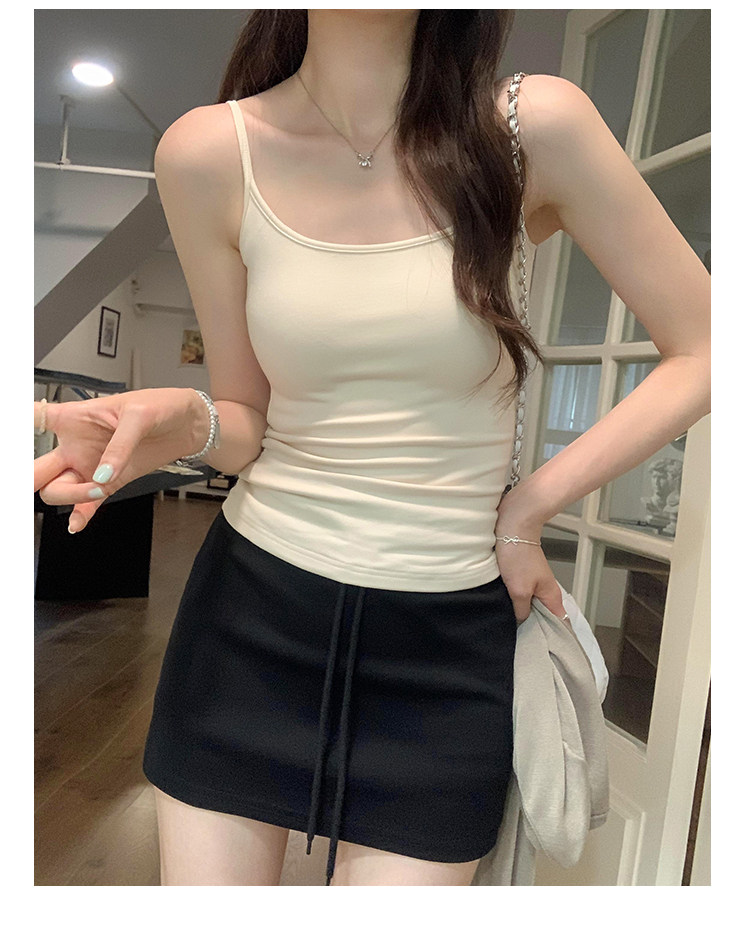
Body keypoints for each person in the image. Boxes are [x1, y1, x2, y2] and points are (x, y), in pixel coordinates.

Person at [33, 10, 710, 886]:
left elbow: (706, 348)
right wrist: (186, 420)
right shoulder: (207, 152)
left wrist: (529, 509)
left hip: (445, 651)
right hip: (249, 621)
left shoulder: (529, 130)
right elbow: (246, 417)